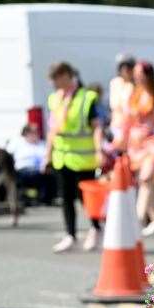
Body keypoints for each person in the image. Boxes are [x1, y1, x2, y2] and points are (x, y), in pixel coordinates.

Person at [44, 62, 106, 252]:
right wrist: (47, 154)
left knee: (86, 198)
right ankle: (70, 235)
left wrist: (99, 151)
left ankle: (96, 229)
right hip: (61, 157)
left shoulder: (87, 98)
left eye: (56, 78)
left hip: (83, 158)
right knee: (66, 198)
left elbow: (97, 127)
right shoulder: (55, 98)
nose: (53, 83)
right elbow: (52, 128)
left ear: (66, 76)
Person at [116, 60, 154, 236]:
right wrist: (121, 141)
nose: (137, 78)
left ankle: (137, 219)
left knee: (146, 179)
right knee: (146, 182)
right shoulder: (133, 96)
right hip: (136, 144)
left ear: (149, 75)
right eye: (136, 74)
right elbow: (126, 121)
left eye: (141, 74)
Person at [6, 123, 53, 206]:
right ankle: (22, 198)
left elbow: (46, 157)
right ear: (26, 133)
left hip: (39, 170)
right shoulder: (17, 142)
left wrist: (45, 166)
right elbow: (8, 156)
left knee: (49, 174)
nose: (37, 134)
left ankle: (45, 199)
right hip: (21, 170)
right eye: (34, 132)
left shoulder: (42, 144)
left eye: (37, 131)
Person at [108, 54, 134, 142]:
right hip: (115, 125)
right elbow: (113, 105)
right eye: (123, 67)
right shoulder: (115, 83)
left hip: (130, 128)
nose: (126, 70)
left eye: (129, 68)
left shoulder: (135, 86)